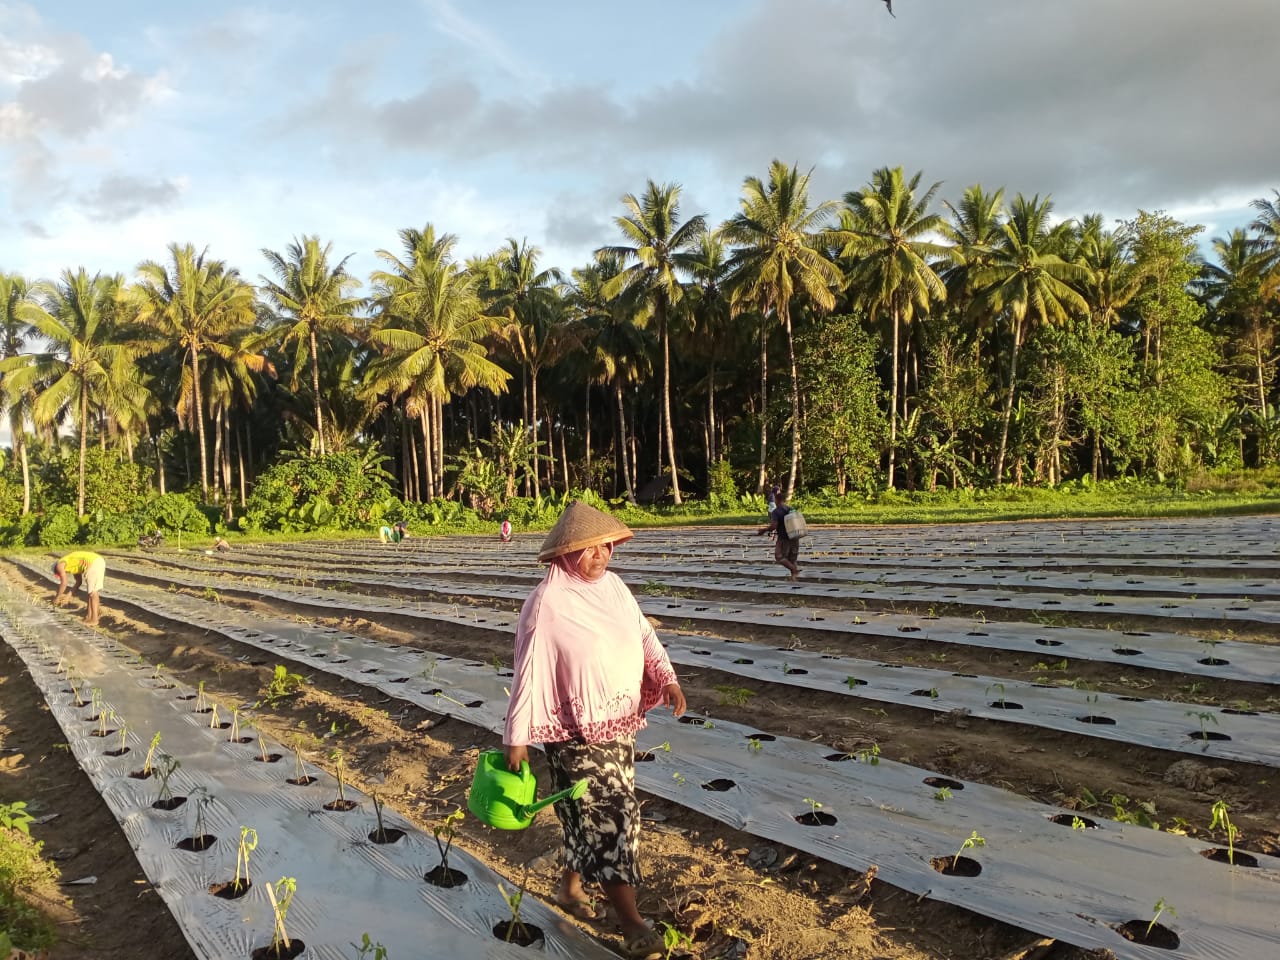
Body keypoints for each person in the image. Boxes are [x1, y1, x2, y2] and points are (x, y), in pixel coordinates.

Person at [504, 501, 686, 960]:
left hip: (618, 721)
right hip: (573, 732)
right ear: (567, 553)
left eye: (606, 546)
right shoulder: (546, 603)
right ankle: (632, 924)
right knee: (614, 815)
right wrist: (516, 737)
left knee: (582, 813)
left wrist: (668, 677)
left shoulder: (615, 588)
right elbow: (527, 670)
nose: (601, 555)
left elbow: (644, 634)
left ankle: (569, 890)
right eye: (590, 549)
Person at [52, 551, 107, 626]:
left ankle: (94, 619)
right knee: (90, 593)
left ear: (56, 570)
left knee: (93, 593)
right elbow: (78, 582)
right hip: (95, 562)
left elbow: (64, 583)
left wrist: (57, 597)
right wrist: (68, 595)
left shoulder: (59, 565)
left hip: (94, 563)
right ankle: (89, 617)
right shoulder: (72, 564)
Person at [759, 489, 800, 580]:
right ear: (784, 500)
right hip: (794, 536)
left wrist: (764, 530)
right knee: (792, 558)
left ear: (776, 500)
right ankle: (794, 578)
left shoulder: (776, 512)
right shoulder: (790, 509)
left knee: (779, 556)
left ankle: (794, 570)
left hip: (784, 538)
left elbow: (774, 526)